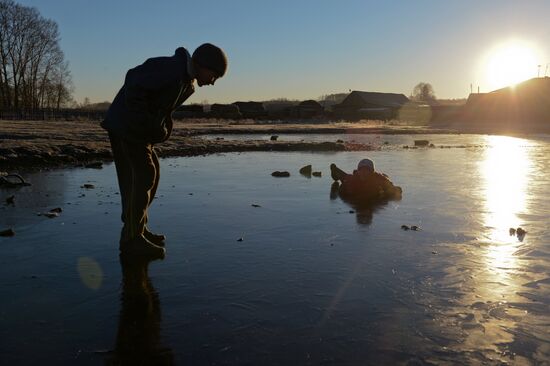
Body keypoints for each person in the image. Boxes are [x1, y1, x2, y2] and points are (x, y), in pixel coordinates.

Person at [101, 43, 228, 256]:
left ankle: (138, 228)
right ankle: (132, 239)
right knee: (142, 176)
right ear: (202, 64)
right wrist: (146, 122)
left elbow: (160, 108)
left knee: (153, 173)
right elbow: (133, 81)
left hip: (137, 131)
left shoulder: (185, 80)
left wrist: (161, 126)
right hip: (126, 127)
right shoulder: (172, 69)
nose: (212, 82)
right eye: (214, 75)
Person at [330, 159, 402, 202]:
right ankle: (335, 169)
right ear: (358, 171)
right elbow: (341, 190)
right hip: (350, 179)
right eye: (361, 170)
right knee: (344, 177)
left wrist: (391, 191)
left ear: (372, 172)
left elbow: (395, 189)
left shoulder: (379, 179)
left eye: (367, 170)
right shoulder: (353, 179)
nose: (364, 173)